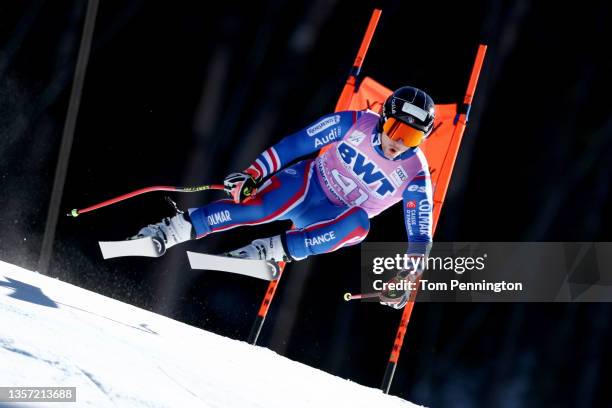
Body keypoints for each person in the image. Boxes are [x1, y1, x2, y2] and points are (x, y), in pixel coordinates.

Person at [134, 86, 434, 308]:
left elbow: (420, 234)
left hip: (329, 219)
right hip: (308, 185)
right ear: (384, 119)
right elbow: (298, 144)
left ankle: (270, 250)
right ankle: (170, 230)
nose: (399, 142)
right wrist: (253, 174)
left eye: (412, 138)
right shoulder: (355, 122)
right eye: (396, 129)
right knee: (256, 210)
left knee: (360, 225)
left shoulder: (415, 173)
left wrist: (408, 275)